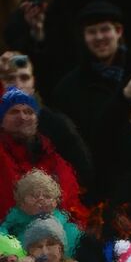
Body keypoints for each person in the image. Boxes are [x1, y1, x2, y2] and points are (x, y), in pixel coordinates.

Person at [50, 2, 131, 200]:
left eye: (105, 30)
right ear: (84, 37)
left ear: (118, 31)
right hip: (99, 188)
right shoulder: (68, 88)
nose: (99, 37)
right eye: (92, 32)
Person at [0, 87, 86, 222]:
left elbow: (73, 206)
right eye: (14, 112)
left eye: (28, 111)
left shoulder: (54, 159)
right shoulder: (3, 158)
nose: (22, 117)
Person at [1, 168, 81, 258]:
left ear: (55, 202)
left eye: (47, 196)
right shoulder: (13, 222)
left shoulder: (66, 227)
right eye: (34, 196)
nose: (41, 200)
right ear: (21, 202)